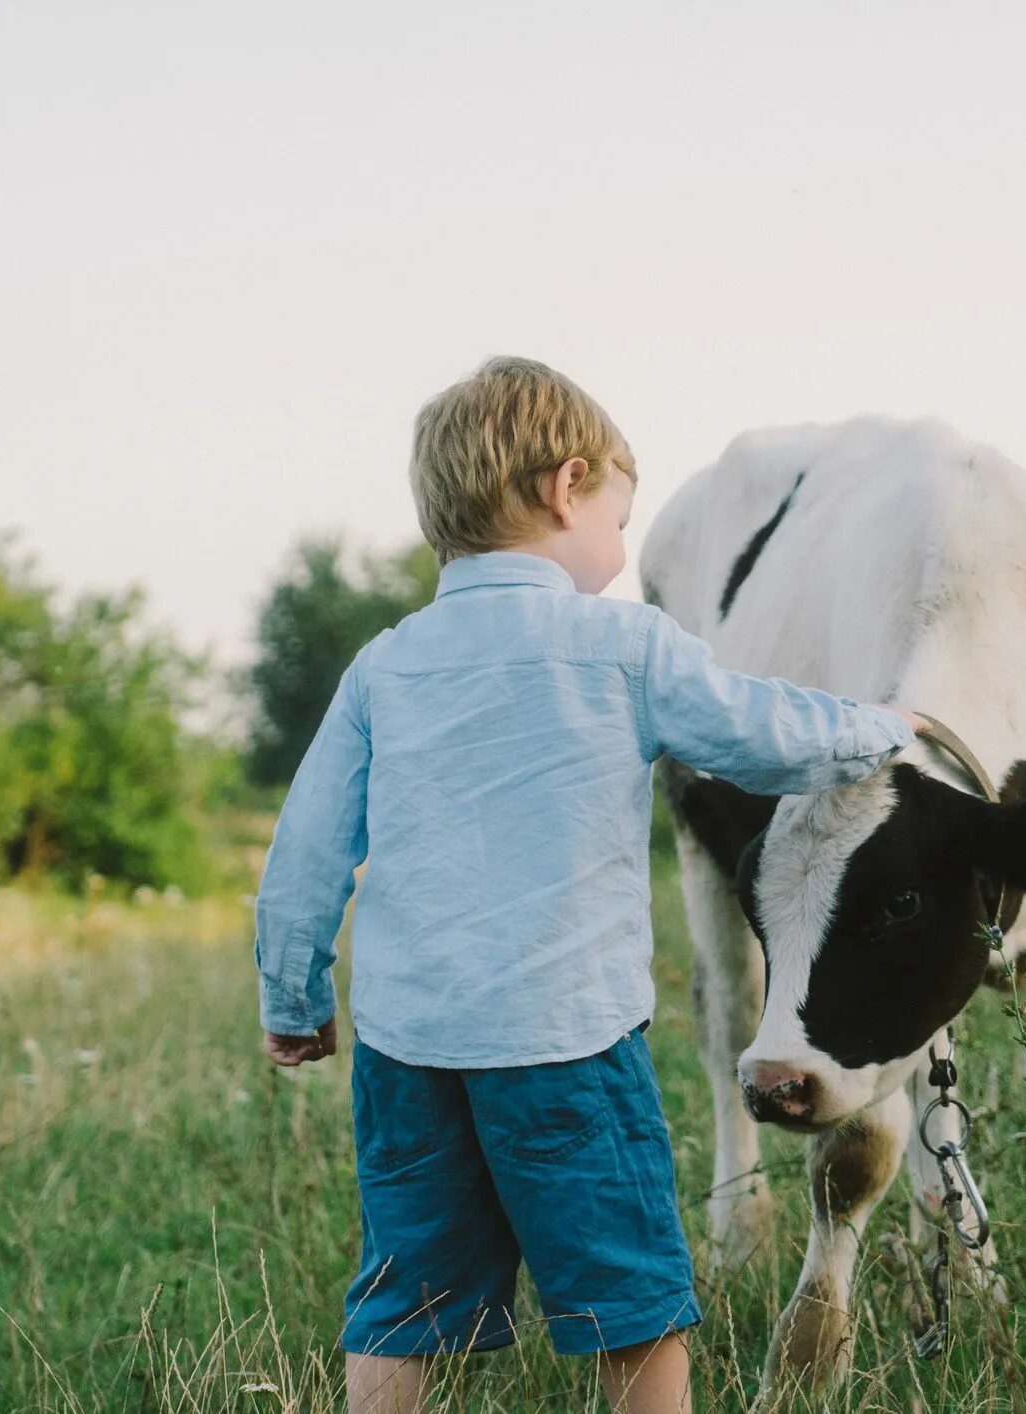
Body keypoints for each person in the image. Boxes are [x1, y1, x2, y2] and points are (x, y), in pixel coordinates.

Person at [254, 356, 924, 1414]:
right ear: (566, 486)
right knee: (631, 1303)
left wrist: (292, 998)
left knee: (399, 1296)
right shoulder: (619, 645)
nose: (620, 552)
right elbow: (758, 733)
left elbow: (303, 856)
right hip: (565, 1043)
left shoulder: (384, 664)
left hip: (409, 1050)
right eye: (617, 521)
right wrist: (882, 728)